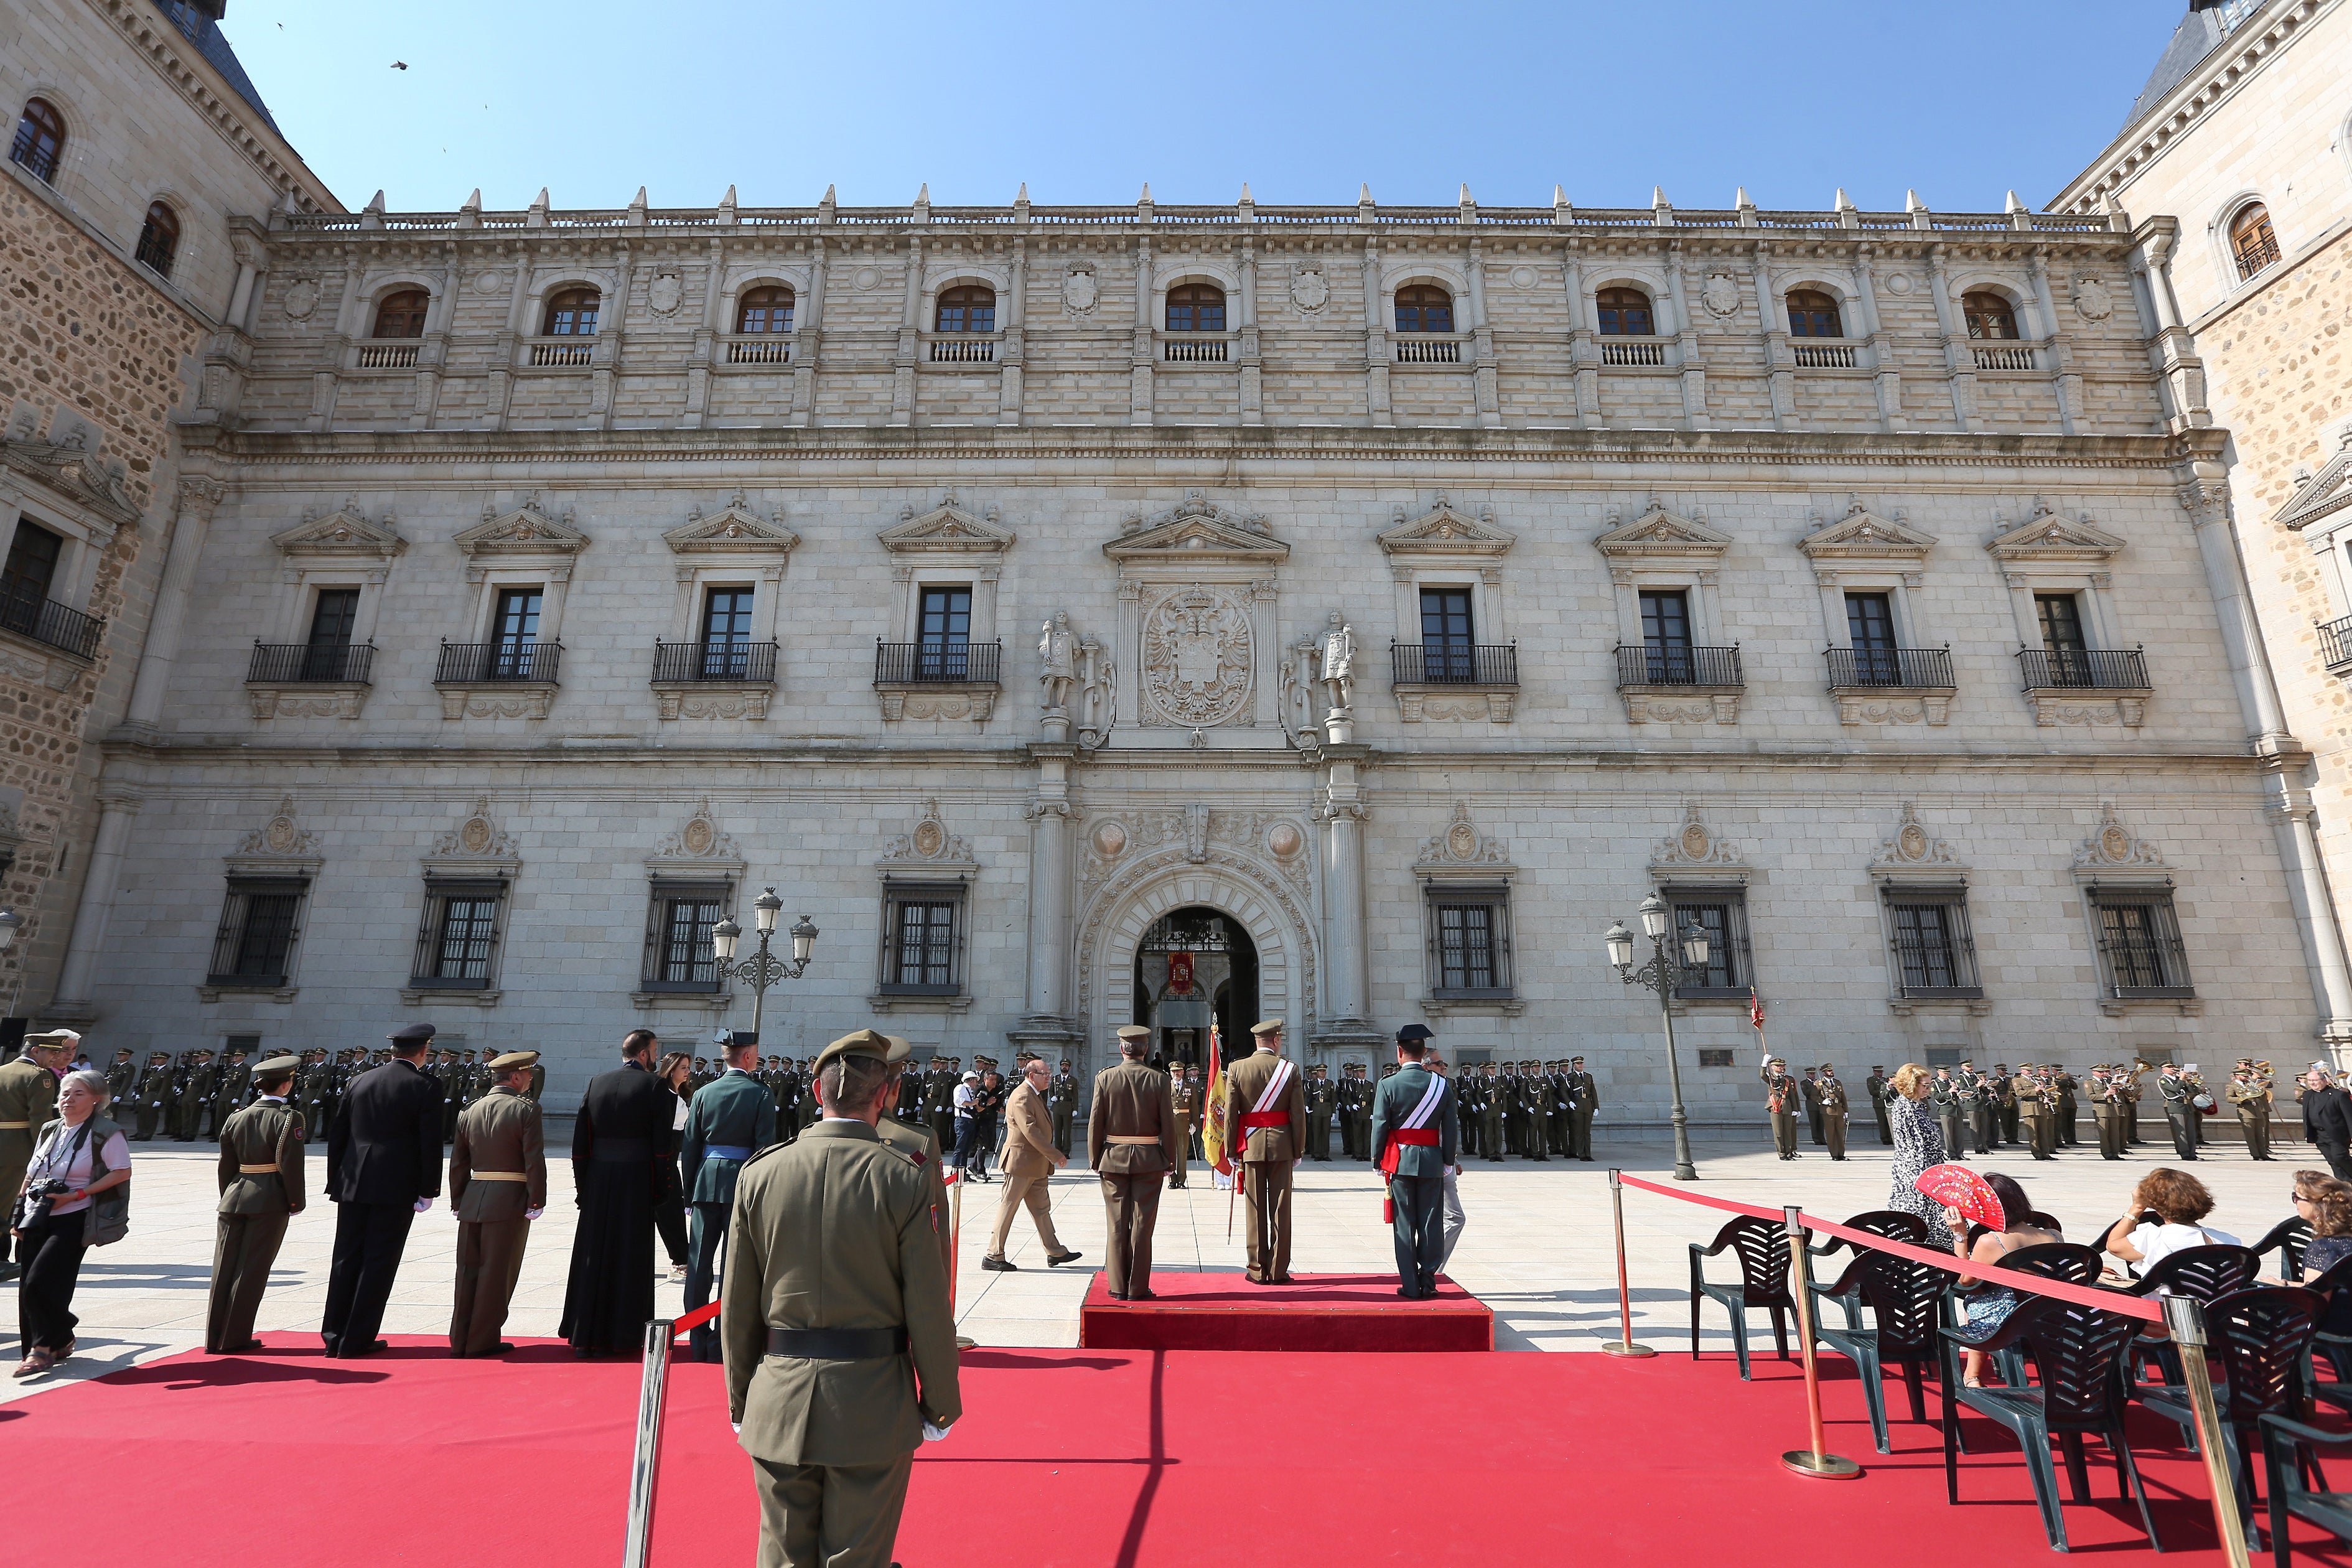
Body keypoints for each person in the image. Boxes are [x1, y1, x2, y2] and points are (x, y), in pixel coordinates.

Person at [721, 1028, 961, 1568]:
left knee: (781, 1557)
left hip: (778, 1397)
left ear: (815, 1092)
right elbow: (928, 1304)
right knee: (856, 1557)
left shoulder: (760, 1173)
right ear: (883, 1098)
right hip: (872, 1401)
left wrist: (741, 1400)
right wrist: (940, 1403)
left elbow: (737, 1303)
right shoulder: (904, 1178)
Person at [321, 1023, 443, 1359]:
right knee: (379, 1260)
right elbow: (429, 1143)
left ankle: (334, 1335)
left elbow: (338, 1136)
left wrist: (336, 1181)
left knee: (346, 1258)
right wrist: (428, 1187)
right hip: (396, 1184)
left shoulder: (359, 1080)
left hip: (353, 1182)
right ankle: (358, 1338)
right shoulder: (425, 1085)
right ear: (422, 1051)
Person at [8, 1067, 130, 1378]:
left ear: (97, 1100)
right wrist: (18, 1213)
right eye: (65, 1093)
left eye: (78, 1094)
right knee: (28, 1286)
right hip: (38, 1214)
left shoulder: (106, 1131)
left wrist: (77, 1195)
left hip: (75, 1215)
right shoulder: (51, 1129)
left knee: (42, 1281)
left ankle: (43, 1350)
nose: (68, 1099)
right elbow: (31, 1173)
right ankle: (58, 1337)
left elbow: (121, 1171)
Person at [562, 1029, 676, 1356]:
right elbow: (661, 1147)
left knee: (593, 1255)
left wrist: (584, 1187)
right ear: (644, 1054)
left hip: (599, 1178)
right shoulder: (655, 1085)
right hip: (636, 1179)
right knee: (630, 1256)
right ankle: (625, 1335)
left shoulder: (597, 1082)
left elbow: (580, 1143)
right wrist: (660, 1190)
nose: (655, 1058)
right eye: (654, 1052)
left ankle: (585, 1332)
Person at [681, 1032, 780, 1361]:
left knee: (699, 1263)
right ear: (749, 1057)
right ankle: (725, 1339)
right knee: (734, 1264)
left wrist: (689, 1192)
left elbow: (691, 1145)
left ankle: (697, 1338)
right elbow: (764, 1149)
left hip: (706, 1182)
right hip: (743, 1184)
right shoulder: (761, 1094)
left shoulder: (704, 1093)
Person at [448, 1050, 547, 1358]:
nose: (530, 1080)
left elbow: (459, 1162)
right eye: (528, 1075)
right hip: (509, 1198)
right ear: (516, 1077)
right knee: (497, 1272)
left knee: (467, 1270)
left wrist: (458, 1199)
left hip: (474, 1197)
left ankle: (461, 1339)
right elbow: (533, 1159)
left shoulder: (470, 1110)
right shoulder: (525, 1109)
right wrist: (537, 1198)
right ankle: (482, 1340)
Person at [207, 1053, 306, 1354]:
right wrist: (295, 1201)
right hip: (268, 1199)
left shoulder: (235, 1117)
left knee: (223, 1268)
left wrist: (229, 1194)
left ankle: (215, 1338)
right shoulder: (290, 1118)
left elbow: (226, 1165)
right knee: (252, 1269)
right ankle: (235, 1337)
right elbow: (291, 1165)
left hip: (233, 1197)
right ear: (286, 1085)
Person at [1089, 1024, 1182, 1301]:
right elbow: (1169, 1124)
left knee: (1117, 1224)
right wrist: (1170, 1160)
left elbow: (1096, 1123)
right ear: (1146, 1051)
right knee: (1143, 1225)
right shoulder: (1160, 1080)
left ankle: (1118, 1286)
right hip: (1149, 1159)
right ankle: (1138, 1288)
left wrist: (1096, 1158)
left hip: (1113, 1158)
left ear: (1122, 1049)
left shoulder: (1105, 1079)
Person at [1943, 1171, 2061, 1388]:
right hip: (2050, 1316)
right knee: (1987, 1298)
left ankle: (1972, 1376)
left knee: (1978, 1300)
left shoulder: (1992, 1241)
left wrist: (1960, 1236)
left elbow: (1965, 1281)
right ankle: (1973, 1376)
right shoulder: (2054, 1235)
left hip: (2006, 1321)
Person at [1370, 1024, 1459, 1300]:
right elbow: (1451, 1127)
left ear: (1399, 1052)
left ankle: (1410, 1285)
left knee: (1405, 1224)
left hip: (1400, 1161)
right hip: (1432, 1159)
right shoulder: (1441, 1084)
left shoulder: (1388, 1084)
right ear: (1424, 1053)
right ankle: (1429, 1280)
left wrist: (1376, 1160)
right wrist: (1447, 1161)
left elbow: (1381, 1125)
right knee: (1432, 1221)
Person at [1224, 1017, 1306, 1285]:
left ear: (1256, 1042)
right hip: (1282, 1145)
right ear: (1276, 1040)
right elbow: (1297, 1115)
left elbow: (1231, 1115)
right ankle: (1279, 1269)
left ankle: (1258, 1269)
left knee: (1255, 1206)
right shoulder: (1289, 1070)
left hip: (1250, 1146)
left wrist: (1231, 1149)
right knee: (1282, 1207)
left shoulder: (1237, 1068)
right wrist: (1298, 1149)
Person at [982, 1057, 1081, 1273]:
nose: (1049, 1077)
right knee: (1009, 1207)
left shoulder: (1034, 1094)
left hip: (1034, 1165)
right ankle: (993, 1254)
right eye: (1044, 1074)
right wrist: (1055, 1154)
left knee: (1041, 1209)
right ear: (1031, 1075)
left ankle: (1055, 1251)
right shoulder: (1022, 1096)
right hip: (1021, 1163)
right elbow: (1031, 1131)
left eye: (1049, 1074)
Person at [0, 1029, 73, 1282]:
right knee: (5, 1204)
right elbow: (39, 1121)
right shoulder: (39, 1076)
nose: (56, 1058)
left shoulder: (3, 1070)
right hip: (18, 1149)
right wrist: (45, 1153)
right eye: (53, 1052)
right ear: (35, 1051)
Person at [2103, 1167, 2239, 1282]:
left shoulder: (2155, 1238)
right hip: (2216, 1309)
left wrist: (2137, 1207)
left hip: (2166, 1309)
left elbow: (2113, 1246)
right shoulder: (2230, 1241)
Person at [1883, 1063, 1951, 1247]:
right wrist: (1926, 1180)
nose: (1928, 1089)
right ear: (1911, 1084)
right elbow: (1912, 1148)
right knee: (1919, 1220)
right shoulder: (1904, 1107)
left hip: (1930, 1169)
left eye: (1930, 1085)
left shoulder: (1917, 1105)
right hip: (1916, 1172)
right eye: (1925, 1085)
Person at [652, 1051, 697, 1283]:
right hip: (663, 1163)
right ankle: (681, 1260)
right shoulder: (663, 1096)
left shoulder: (680, 1095)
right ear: (671, 1070)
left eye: (688, 1067)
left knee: (673, 1213)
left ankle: (681, 1259)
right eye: (683, 1068)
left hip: (671, 1161)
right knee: (669, 1214)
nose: (688, 1072)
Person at [1427, 1052, 1468, 1268]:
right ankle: (1432, 1269)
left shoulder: (1443, 1087)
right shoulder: (1433, 1090)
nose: (1444, 1067)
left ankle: (1431, 1268)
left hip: (1444, 1161)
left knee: (1452, 1218)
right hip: (1432, 1162)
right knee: (1452, 1218)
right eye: (1439, 1064)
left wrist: (1454, 1158)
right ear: (1427, 1067)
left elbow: (1447, 1130)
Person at [2297, 1171, 2352, 1278]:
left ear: (2318, 1208)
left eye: (2297, 1197)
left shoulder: (2322, 1249)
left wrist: (2278, 1287)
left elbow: (2314, 1294)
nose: (2295, 1201)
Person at [2303, 1068, 2352, 1180]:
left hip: (2337, 1134)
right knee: (2332, 1161)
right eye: (2310, 1080)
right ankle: (2345, 1183)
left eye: (2315, 1080)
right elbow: (2306, 1114)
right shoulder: (2308, 1095)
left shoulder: (2339, 1095)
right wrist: (2307, 1133)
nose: (2312, 1083)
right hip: (2319, 1135)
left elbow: (2349, 1116)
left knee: (2339, 1157)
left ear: (2325, 1081)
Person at [2229, 1062, 2275, 1161]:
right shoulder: (2233, 1086)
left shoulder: (2251, 1083)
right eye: (2244, 1076)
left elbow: (2266, 1087)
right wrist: (2240, 1099)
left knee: (2261, 1135)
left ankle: (2264, 1154)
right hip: (2246, 1110)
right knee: (2251, 1135)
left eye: (2247, 1075)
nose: (2247, 1077)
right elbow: (2229, 1098)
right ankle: (2256, 1155)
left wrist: (2261, 1082)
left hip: (2257, 1110)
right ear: (2237, 1076)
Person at [1760, 1054, 1801, 1159]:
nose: (1781, 1068)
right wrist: (1764, 1064)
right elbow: (1762, 1075)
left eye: (1783, 1066)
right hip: (1775, 1105)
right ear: (1773, 1067)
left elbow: (1792, 1095)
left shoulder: (1786, 1080)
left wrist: (1795, 1109)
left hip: (1787, 1106)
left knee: (1788, 1131)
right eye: (1779, 1066)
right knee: (1778, 1132)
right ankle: (1781, 1153)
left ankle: (1788, 1153)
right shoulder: (1770, 1077)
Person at [2156, 1063, 2200, 1160]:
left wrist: (2190, 1082)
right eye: (2169, 1067)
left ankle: (2192, 1153)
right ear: (2163, 1069)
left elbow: (2192, 1092)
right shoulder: (2163, 1080)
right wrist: (2181, 1079)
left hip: (2186, 1106)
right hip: (2175, 1106)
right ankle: (2185, 1153)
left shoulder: (2178, 1079)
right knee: (2181, 1132)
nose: (2172, 1069)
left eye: (2173, 1067)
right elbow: (2174, 1089)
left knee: (2191, 1131)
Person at [1167, 1063, 1199, 1189]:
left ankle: (1181, 1180)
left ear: (1183, 1072)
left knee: (1182, 1153)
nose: (1177, 1074)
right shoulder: (1166, 1086)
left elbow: (1194, 1107)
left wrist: (1195, 1123)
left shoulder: (1189, 1087)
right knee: (1170, 1154)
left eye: (1179, 1071)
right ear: (1170, 1073)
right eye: (1174, 1072)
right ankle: (1172, 1179)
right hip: (1170, 1123)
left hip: (1184, 1123)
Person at [1565, 1055, 1598, 1161]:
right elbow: (1564, 1091)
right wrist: (1569, 1102)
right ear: (1574, 1065)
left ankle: (1588, 1154)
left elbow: (1593, 1092)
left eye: (1581, 1063)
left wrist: (1596, 1107)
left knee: (1587, 1132)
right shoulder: (1570, 1077)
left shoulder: (1588, 1076)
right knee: (1579, 1131)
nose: (1580, 1065)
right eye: (1578, 1064)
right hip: (1577, 1105)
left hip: (1588, 1105)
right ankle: (1582, 1154)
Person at [1047, 1057, 1080, 1157]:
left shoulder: (1073, 1080)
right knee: (1057, 1130)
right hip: (1057, 1107)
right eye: (1063, 1065)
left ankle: (1066, 1152)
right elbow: (1051, 1090)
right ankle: (1057, 1150)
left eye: (1066, 1065)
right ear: (1060, 1067)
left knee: (1067, 1131)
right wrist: (1052, 1097)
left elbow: (1075, 1096)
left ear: (1069, 1068)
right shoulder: (1055, 1079)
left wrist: (1075, 1109)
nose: (1064, 1067)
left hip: (1067, 1107)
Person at [1818, 1063, 1849, 1162]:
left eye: (1831, 1070)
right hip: (1828, 1111)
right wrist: (1822, 1101)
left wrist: (1846, 1111)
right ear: (1824, 1073)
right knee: (1831, 1134)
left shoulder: (1837, 1083)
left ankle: (1841, 1154)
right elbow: (1814, 1096)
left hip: (1839, 1110)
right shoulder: (1819, 1083)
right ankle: (1834, 1154)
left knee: (1840, 1133)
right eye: (1828, 1071)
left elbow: (1843, 1097)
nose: (1831, 1072)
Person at [1865, 1065, 1893, 1146]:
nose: (1880, 1074)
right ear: (1874, 1072)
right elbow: (1872, 1092)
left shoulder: (1884, 1080)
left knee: (1889, 1122)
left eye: (1881, 1072)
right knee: (1882, 1122)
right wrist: (1883, 1091)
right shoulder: (1871, 1080)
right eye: (1878, 1072)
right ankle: (1884, 1138)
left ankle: (1890, 1137)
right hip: (1879, 1103)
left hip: (1887, 1103)